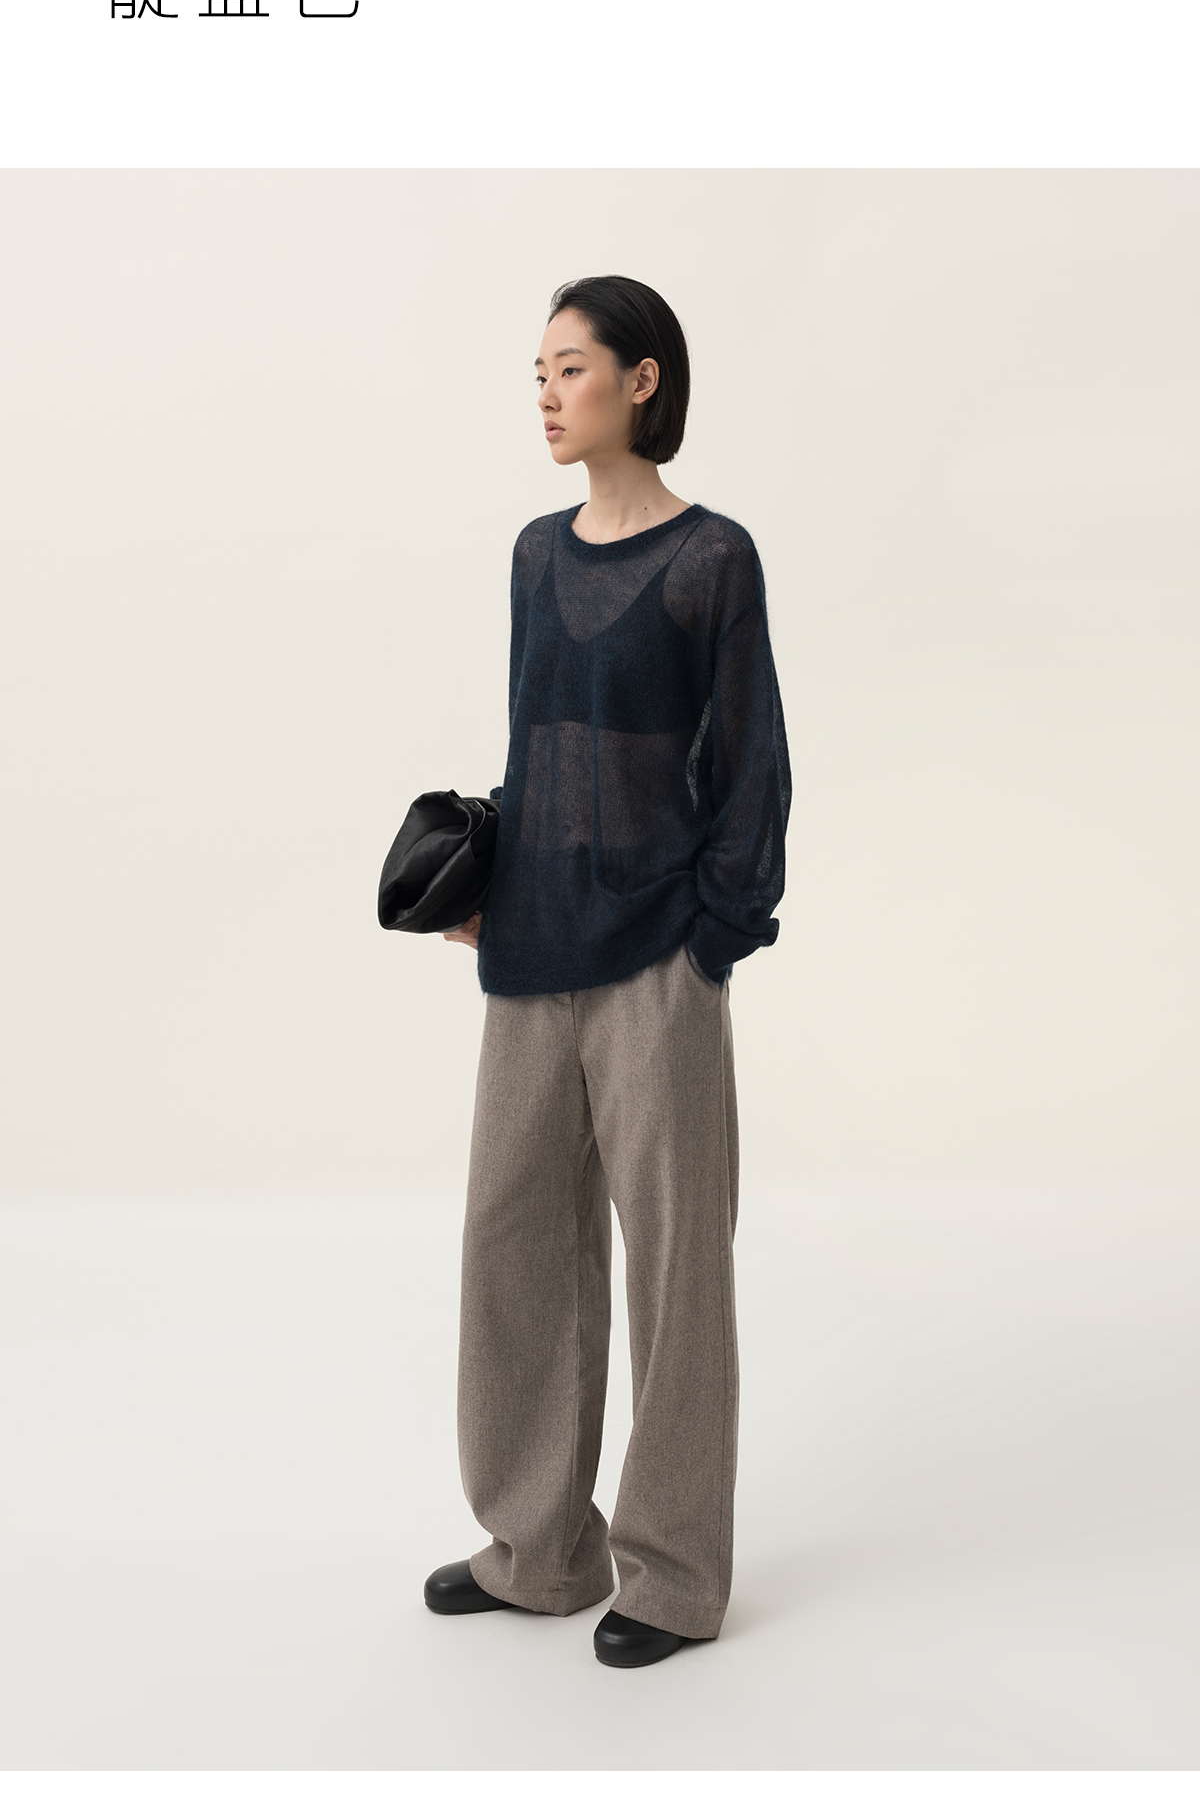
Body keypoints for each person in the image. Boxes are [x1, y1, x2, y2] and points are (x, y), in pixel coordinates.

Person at [423, 275, 791, 1667]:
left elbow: (751, 765)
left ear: (643, 381)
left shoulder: (712, 559)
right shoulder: (535, 554)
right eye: (537, 371)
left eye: (569, 367)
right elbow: (542, 746)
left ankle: (673, 1575)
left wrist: (715, 937)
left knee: (676, 1265)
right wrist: (490, 881)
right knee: (512, 1244)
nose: (545, 393)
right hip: (533, 949)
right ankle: (539, 1551)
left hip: (658, 960)